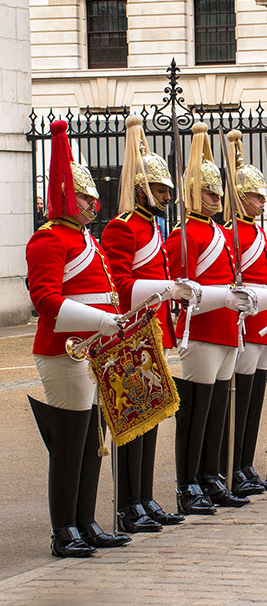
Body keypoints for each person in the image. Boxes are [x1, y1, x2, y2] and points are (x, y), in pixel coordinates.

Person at [26, 120, 130, 558]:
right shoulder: (48, 239)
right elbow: (45, 300)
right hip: (65, 351)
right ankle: (63, 529)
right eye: (86, 197)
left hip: (94, 350)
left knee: (92, 444)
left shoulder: (84, 237)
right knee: (71, 443)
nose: (94, 203)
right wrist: (102, 321)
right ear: (67, 196)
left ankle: (85, 521)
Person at [101, 115, 191, 531]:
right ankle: (127, 504)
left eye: (168, 190)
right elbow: (121, 285)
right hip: (132, 333)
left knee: (152, 414)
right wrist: (168, 288)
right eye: (160, 190)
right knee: (132, 417)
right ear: (141, 189)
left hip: (154, 331)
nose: (167, 197)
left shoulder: (153, 227)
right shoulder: (123, 228)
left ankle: (144, 497)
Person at [165, 123, 258, 512]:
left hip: (226, 328)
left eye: (219, 191)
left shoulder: (221, 232)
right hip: (201, 329)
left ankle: (211, 476)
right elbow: (179, 290)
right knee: (196, 410)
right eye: (209, 191)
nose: (217, 197)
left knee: (218, 408)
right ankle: (188, 484)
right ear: (192, 192)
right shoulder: (184, 234)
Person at [220, 129, 267, 495]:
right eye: (255, 195)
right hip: (246, 325)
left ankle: (246, 464)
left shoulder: (257, 235)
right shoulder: (230, 233)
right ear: (239, 196)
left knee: (254, 400)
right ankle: (233, 466)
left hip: (264, 324)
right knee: (241, 399)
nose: (262, 201)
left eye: (263, 195)